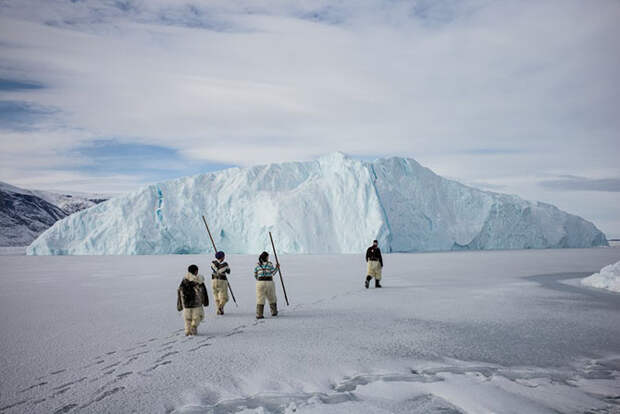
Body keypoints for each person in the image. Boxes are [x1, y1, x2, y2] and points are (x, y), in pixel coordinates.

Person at [177, 264, 209, 336]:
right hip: (196, 303)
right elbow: (203, 292)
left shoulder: (184, 281)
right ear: (196, 271)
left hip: (186, 304)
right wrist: (205, 302)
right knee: (198, 317)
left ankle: (188, 331)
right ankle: (194, 327)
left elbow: (179, 292)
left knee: (187, 319)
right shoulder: (199, 281)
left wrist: (179, 304)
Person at [254, 251, 279, 319]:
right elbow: (273, 273)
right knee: (272, 297)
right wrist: (277, 267)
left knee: (260, 298)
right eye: (268, 257)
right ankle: (274, 312)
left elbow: (255, 275)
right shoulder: (269, 264)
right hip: (269, 283)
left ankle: (259, 314)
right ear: (266, 257)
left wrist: (260, 279)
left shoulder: (257, 265)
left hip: (260, 283)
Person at [211, 251, 230, 315]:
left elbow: (216, 269)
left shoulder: (213, 263)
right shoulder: (225, 264)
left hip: (214, 280)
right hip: (222, 281)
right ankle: (220, 307)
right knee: (225, 298)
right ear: (222, 257)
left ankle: (219, 311)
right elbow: (228, 271)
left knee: (216, 296)